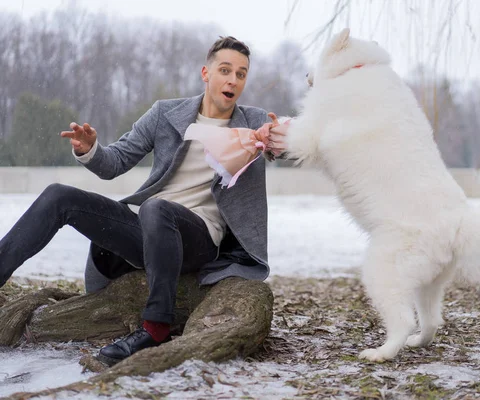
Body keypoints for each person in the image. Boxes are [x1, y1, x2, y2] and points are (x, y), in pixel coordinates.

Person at [0, 36, 284, 365]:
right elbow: (115, 162)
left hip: (200, 239)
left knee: (156, 207)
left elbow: (284, 142)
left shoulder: (254, 120)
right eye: (225, 70)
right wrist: (89, 149)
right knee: (58, 196)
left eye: (241, 74)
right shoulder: (166, 113)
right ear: (206, 73)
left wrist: (280, 136)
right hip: (150, 230)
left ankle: (155, 327)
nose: (233, 80)